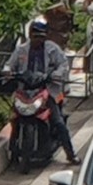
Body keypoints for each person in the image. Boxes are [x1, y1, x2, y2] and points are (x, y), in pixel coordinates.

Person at [15, 19, 78, 165]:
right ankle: (14, 149)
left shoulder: (53, 49)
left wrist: (56, 74)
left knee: (58, 123)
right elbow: (10, 65)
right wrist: (7, 71)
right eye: (35, 35)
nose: (38, 39)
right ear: (30, 35)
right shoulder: (21, 50)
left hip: (47, 91)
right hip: (25, 91)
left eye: (41, 36)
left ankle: (70, 154)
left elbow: (63, 64)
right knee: (14, 118)